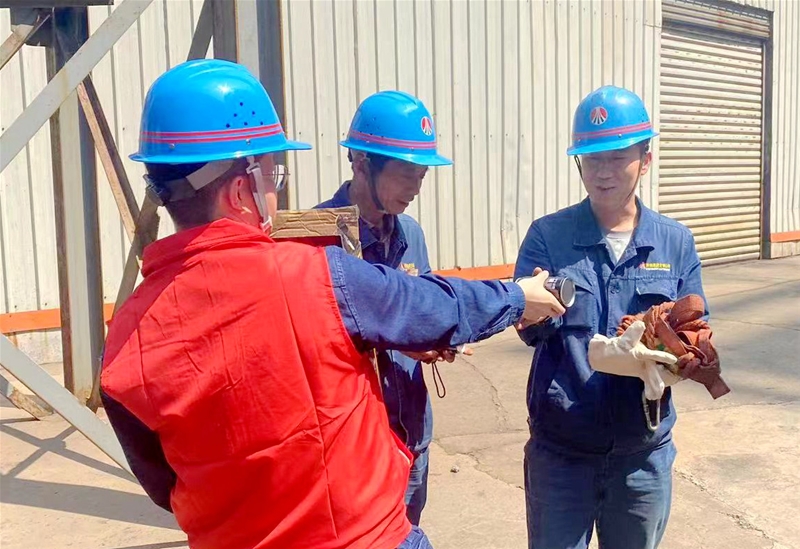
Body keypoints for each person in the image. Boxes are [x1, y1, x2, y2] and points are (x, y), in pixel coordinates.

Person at [100, 59, 566, 549]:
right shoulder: (313, 269)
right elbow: (429, 305)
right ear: (241, 190)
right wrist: (519, 296)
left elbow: (164, 483)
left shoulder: (126, 338)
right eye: (273, 176)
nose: (276, 192)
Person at [514, 85, 708, 549]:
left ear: (645, 159)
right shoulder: (547, 237)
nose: (603, 172)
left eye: (618, 157)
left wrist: (679, 353)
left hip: (642, 457)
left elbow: (696, 330)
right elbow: (528, 331)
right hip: (561, 454)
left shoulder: (675, 242)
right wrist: (527, 310)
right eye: (592, 159)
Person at [317, 90, 452, 525]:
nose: (415, 188)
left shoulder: (411, 234)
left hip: (412, 436)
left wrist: (433, 339)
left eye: (422, 175)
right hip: (352, 451)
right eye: (406, 173)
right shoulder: (316, 239)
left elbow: (423, 309)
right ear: (361, 163)